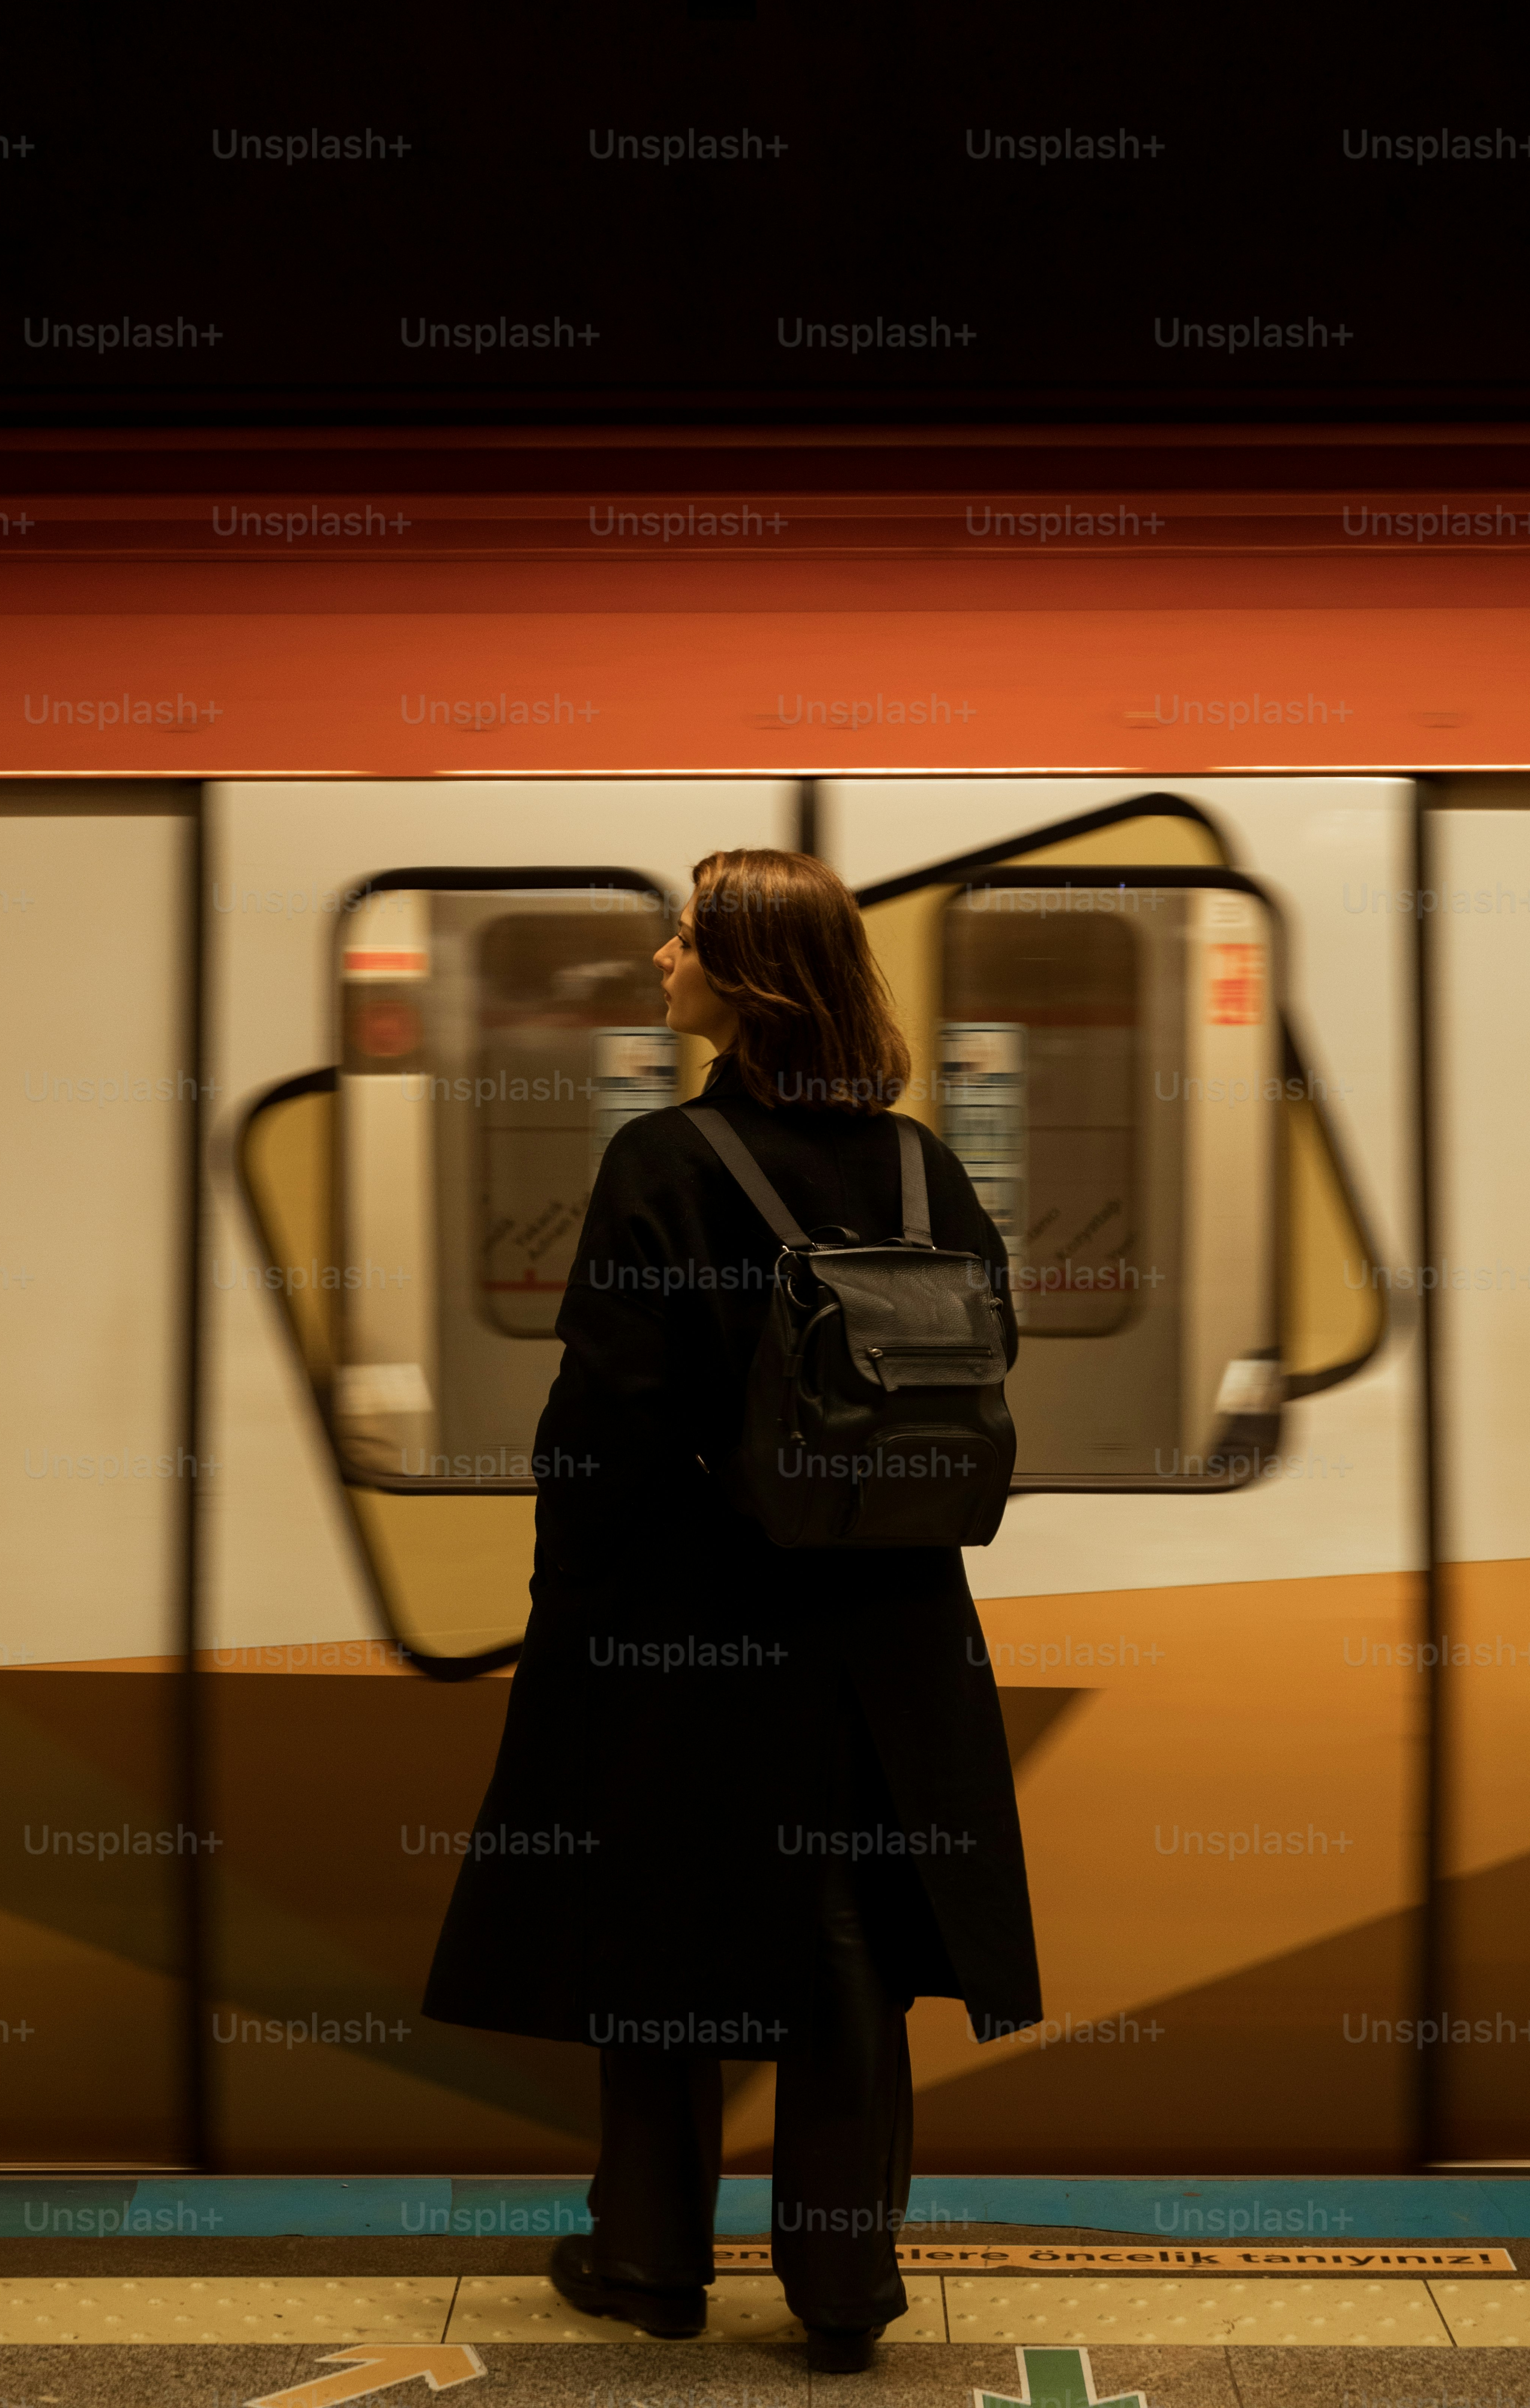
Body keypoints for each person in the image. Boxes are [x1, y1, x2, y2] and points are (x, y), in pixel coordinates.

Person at [423, 848, 1041, 2373]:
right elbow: (990, 1353)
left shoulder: (667, 1161)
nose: (660, 964)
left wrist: (569, 1601)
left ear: (746, 974)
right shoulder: (925, 1165)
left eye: (685, 940)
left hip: (691, 1617)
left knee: (661, 1928)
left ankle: (647, 2255)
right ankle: (842, 2283)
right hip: (890, 1622)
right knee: (846, 1947)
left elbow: (605, 1417)